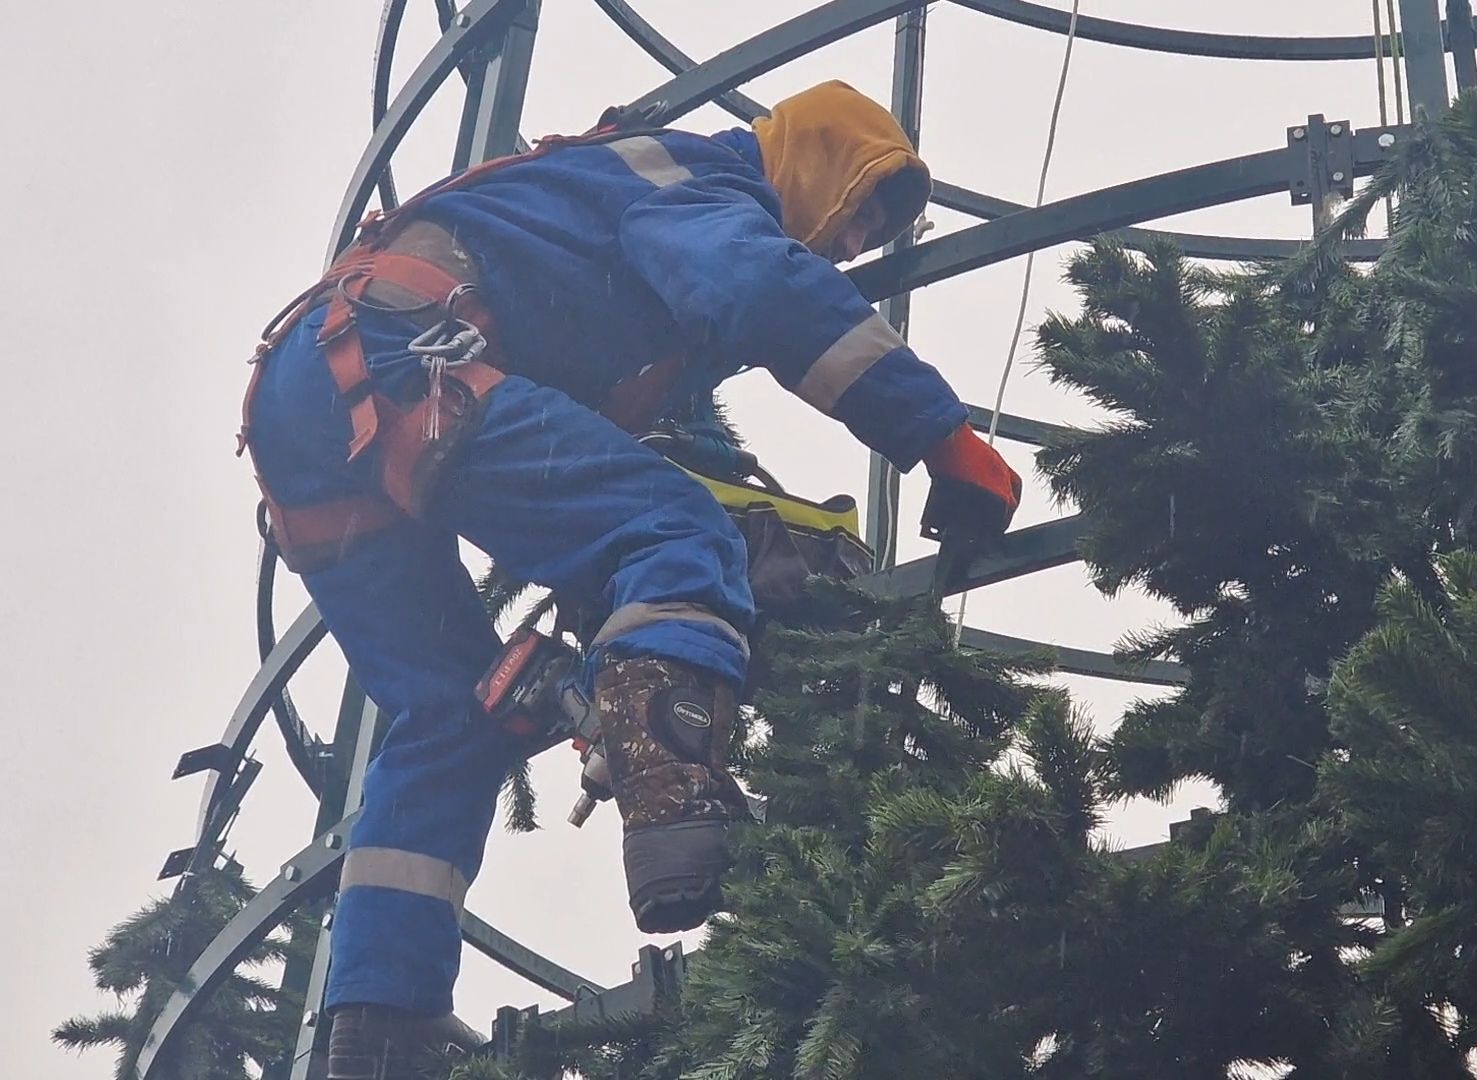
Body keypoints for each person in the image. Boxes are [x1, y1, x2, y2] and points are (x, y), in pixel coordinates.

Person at [237, 80, 1022, 1077]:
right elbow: (762, 286)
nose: (857, 244)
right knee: (671, 530)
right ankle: (675, 807)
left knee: (448, 714)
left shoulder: (632, 248)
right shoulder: (705, 183)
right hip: (409, 356)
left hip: (309, 424)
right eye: (861, 209)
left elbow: (657, 447)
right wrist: (942, 438)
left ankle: (381, 1023)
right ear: (818, 162)